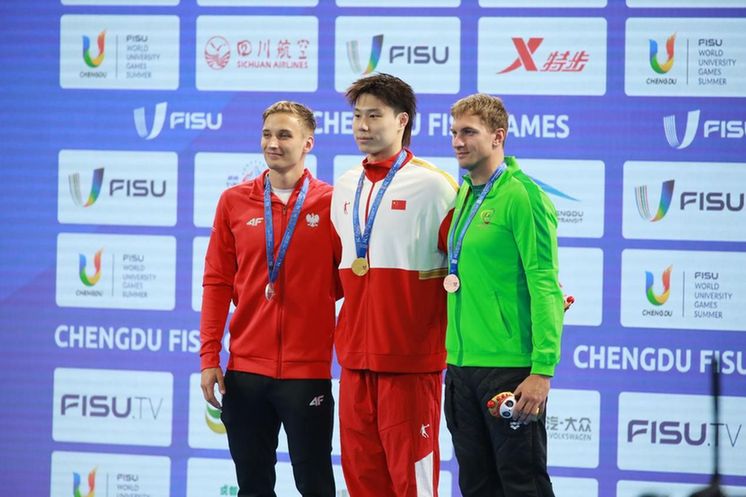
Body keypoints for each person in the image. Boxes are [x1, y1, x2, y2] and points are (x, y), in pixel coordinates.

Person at [199, 101, 339, 497]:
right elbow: (216, 283)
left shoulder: (331, 204)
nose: (272, 143)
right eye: (267, 134)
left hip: (307, 373)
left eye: (284, 135)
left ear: (308, 142)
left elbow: (346, 281)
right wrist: (210, 357)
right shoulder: (234, 202)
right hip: (245, 374)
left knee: (316, 485)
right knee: (253, 487)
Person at [330, 73, 458, 497]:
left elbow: (470, 264)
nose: (362, 126)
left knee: (412, 485)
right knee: (362, 481)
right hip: (354, 362)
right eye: (357, 116)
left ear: (402, 121)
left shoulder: (435, 186)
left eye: (374, 116)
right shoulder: (345, 185)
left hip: (409, 362)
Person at [443, 93, 565, 497]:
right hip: (461, 367)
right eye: (454, 132)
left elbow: (545, 283)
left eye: (469, 132)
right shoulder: (465, 195)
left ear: (498, 136)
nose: (458, 141)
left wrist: (542, 370)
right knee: (477, 485)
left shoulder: (522, 196)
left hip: (510, 369)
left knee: (522, 484)